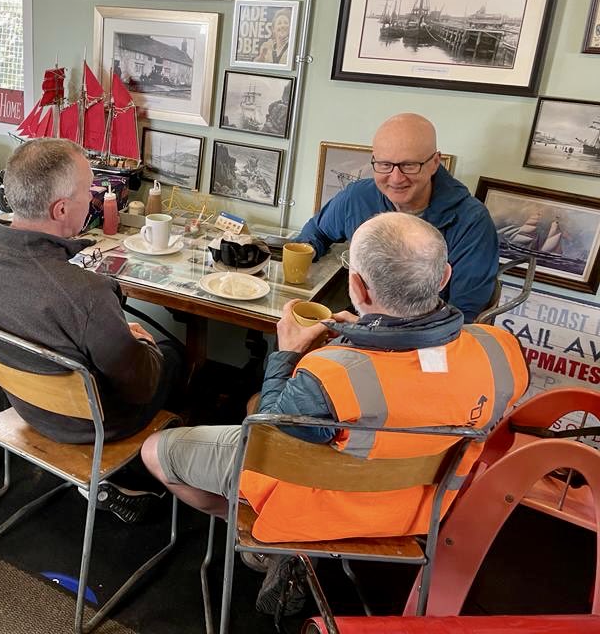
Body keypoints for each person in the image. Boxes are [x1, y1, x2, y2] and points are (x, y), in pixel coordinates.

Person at [142, 212, 528, 616]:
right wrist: (370, 331)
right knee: (260, 406)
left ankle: (270, 545)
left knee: (158, 450)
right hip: (416, 512)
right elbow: (422, 381)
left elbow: (266, 445)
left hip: (316, 509)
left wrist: (287, 351)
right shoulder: (501, 351)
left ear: (357, 286)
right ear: (444, 276)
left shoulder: (328, 374)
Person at [0, 138, 183, 521]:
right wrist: (142, 343)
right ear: (61, 208)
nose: (95, 198)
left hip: (25, 403)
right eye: (90, 190)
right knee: (174, 355)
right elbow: (140, 385)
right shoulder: (86, 293)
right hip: (90, 424)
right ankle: (139, 469)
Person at [295, 113, 498, 322]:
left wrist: (377, 333)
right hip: (357, 322)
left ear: (435, 162)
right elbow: (316, 232)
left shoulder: (473, 222)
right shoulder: (357, 197)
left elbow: (463, 316)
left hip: (424, 339)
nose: (396, 178)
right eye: (384, 165)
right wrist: (301, 257)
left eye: (409, 165)